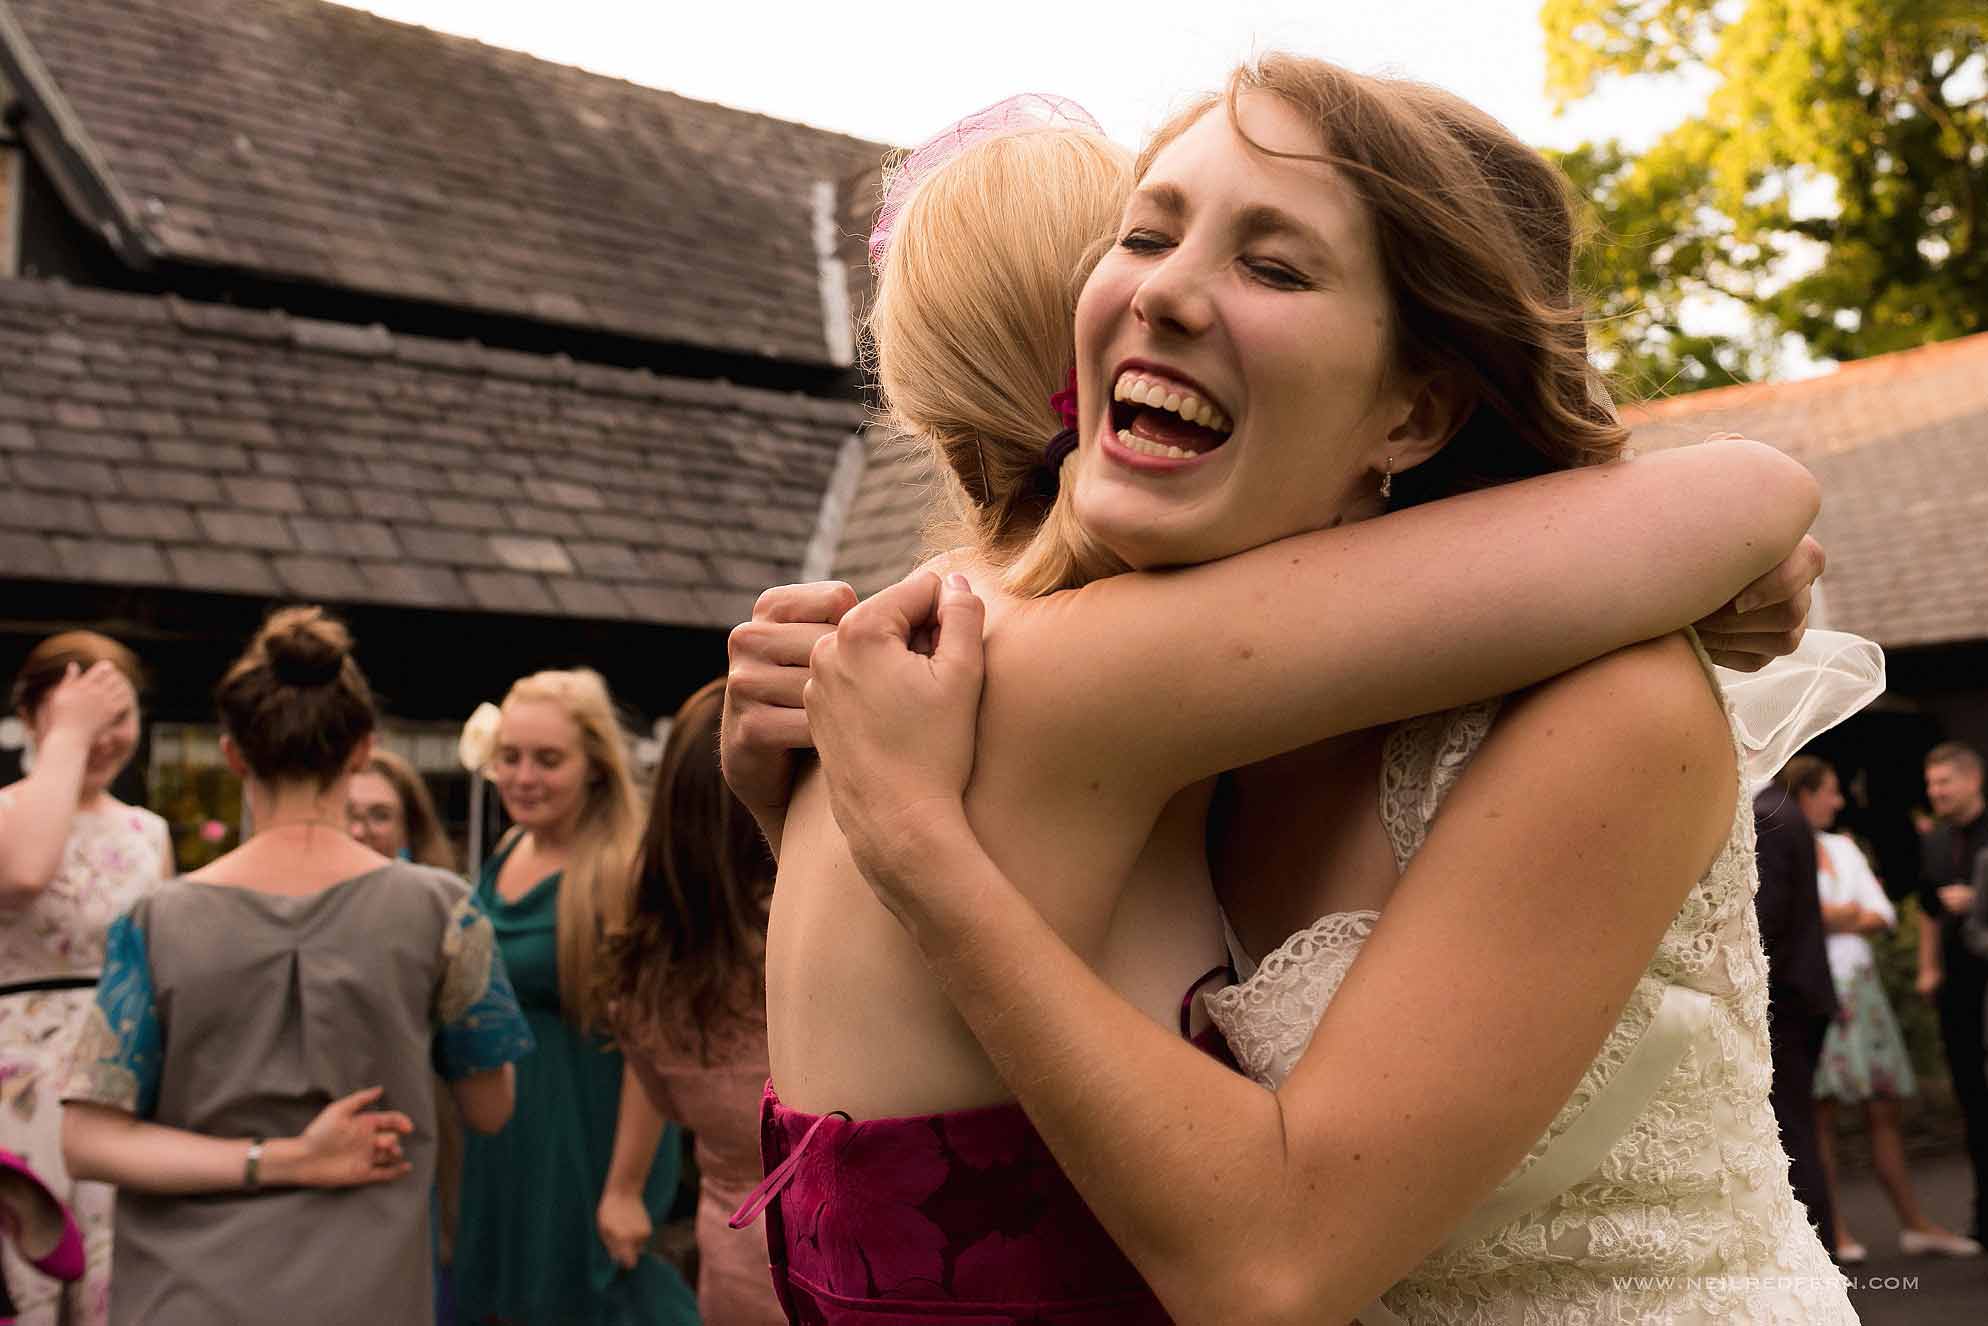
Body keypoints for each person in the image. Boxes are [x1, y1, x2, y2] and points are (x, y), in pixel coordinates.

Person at [732, 59, 1849, 1323]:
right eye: (1141, 235)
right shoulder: (1162, 713)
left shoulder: (1601, 706)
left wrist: (917, 849)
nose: (1160, 290)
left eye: (1271, 266)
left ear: (1415, 411)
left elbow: (1271, 1262)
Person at [55, 606, 531, 1326]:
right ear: (363, 749)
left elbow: (87, 1140)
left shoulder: (156, 921)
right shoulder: (445, 911)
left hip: (182, 1295)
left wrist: (266, 1158)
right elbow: (490, 1108)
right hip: (364, 1291)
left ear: (234, 755)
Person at [454, 669, 698, 1326]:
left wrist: (623, 1189)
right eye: (509, 757)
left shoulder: (624, 867)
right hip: (503, 1140)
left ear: (593, 766)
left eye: (548, 760)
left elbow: (653, 1039)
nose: (523, 776)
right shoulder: (507, 848)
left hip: (583, 1140)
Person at [601, 680, 781, 1325]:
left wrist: (623, 1186)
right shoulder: (808, 946)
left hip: (730, 1244)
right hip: (824, 1260)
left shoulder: (654, 964)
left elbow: (660, 1088)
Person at [0, 634, 167, 1326]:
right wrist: (66, 736)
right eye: (87, 717)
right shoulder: (9, 810)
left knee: (109, 1276)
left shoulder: (147, 830)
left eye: (118, 718)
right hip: (16, 1077)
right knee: (24, 1275)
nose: (105, 737)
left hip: (115, 1074)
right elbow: (26, 873)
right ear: (37, 715)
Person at [1785, 757, 1983, 1262]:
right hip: (1814, 990)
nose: (1840, 800)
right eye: (1830, 791)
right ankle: (1834, 1229)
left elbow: (1883, 913)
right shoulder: (1781, 844)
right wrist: (1842, 914)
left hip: (1860, 987)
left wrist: (1836, 916)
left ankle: (1915, 1223)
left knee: (1883, 1108)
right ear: (1805, 794)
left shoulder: (1842, 846)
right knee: (1820, 1115)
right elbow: (1790, 914)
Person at [1752, 761, 1841, 1245]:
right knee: (1794, 1123)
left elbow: (1767, 917)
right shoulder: (1782, 811)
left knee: (1790, 1129)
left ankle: (1814, 1248)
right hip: (1802, 992)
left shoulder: (1768, 816)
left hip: (1784, 997)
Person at [1918, 740, 1988, 1241]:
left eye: (1944, 781)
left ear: (1972, 781)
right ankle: (1984, 1217)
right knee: (1971, 1097)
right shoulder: (1936, 840)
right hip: (1957, 987)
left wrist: (1979, 900)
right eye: (1930, 783)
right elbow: (1927, 909)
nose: (1935, 791)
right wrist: (1927, 967)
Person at [349, 748, 456, 870]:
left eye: (379, 816)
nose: (358, 831)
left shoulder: (430, 888)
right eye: (348, 813)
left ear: (410, 829)